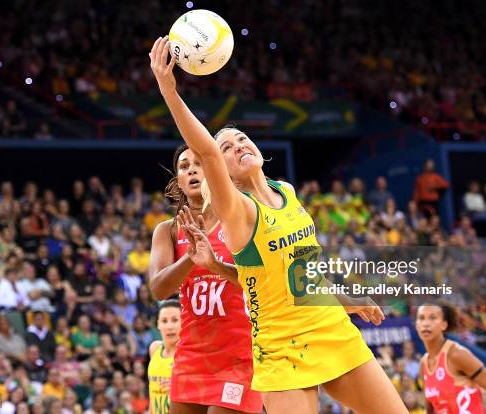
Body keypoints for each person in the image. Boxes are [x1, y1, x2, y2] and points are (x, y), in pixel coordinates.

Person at [150, 36, 405, 414]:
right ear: (222, 175)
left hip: (330, 328)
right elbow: (204, 150)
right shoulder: (237, 207)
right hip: (281, 345)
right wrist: (169, 91)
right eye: (227, 147)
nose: (237, 144)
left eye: (241, 138)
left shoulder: (286, 191)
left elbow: (298, 274)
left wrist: (347, 299)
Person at [149, 144, 262, 413]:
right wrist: (190, 257)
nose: (192, 171)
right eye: (184, 166)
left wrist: (215, 263)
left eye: (199, 164)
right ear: (178, 180)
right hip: (192, 356)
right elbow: (159, 289)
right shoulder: (168, 230)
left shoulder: (238, 220)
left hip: (239, 354)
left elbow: (261, 279)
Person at [415, 303, 486, 414]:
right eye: (421, 318)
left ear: (444, 325)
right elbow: (431, 409)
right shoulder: (423, 364)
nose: (426, 324)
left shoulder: (456, 354)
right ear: (417, 325)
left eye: (432, 318)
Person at [147, 300, 181, 414]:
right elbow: (152, 394)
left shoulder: (188, 354)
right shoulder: (154, 348)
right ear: (158, 324)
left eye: (175, 320)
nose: (169, 326)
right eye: (164, 321)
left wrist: (179, 390)